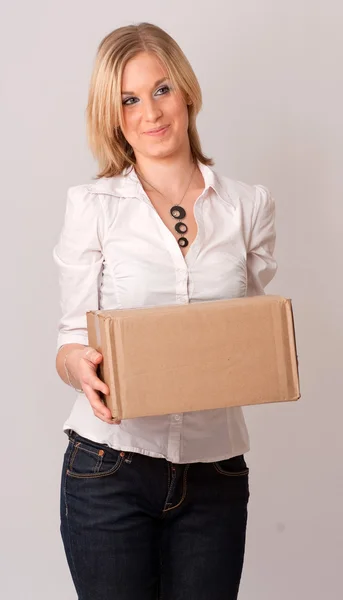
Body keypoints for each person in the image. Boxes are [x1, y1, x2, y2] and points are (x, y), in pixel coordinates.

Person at [53, 22, 277, 600]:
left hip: (216, 471)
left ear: (187, 92)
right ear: (112, 113)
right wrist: (77, 363)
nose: (150, 112)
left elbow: (249, 335)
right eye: (128, 99)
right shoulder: (93, 207)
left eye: (161, 90)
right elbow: (70, 341)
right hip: (109, 467)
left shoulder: (248, 208)